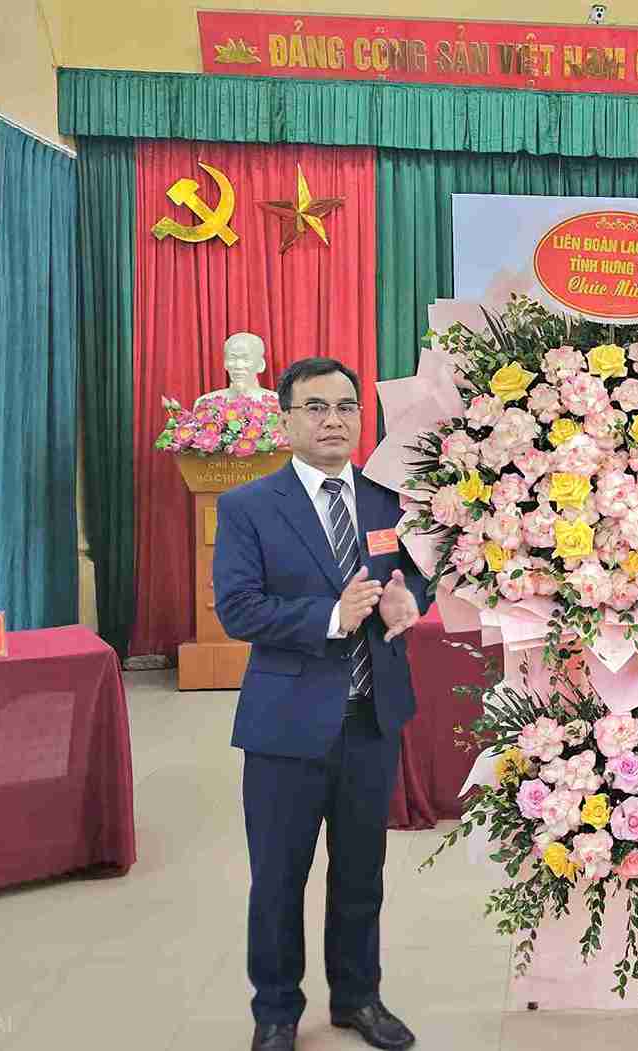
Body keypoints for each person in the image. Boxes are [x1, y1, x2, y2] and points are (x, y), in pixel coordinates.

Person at [212, 357, 429, 1051]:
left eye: (345, 407)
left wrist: (408, 602)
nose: (332, 420)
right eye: (315, 407)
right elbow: (238, 608)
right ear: (286, 420)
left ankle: (358, 998)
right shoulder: (248, 506)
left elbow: (415, 575)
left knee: (362, 874)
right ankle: (276, 1010)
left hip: (371, 720)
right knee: (279, 877)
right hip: (286, 728)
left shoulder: (387, 501)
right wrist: (332, 617)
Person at [196, 332, 277, 407]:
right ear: (225, 363)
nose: (238, 366)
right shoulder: (206, 403)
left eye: (246, 359)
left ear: (261, 365)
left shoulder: (277, 403)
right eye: (232, 358)